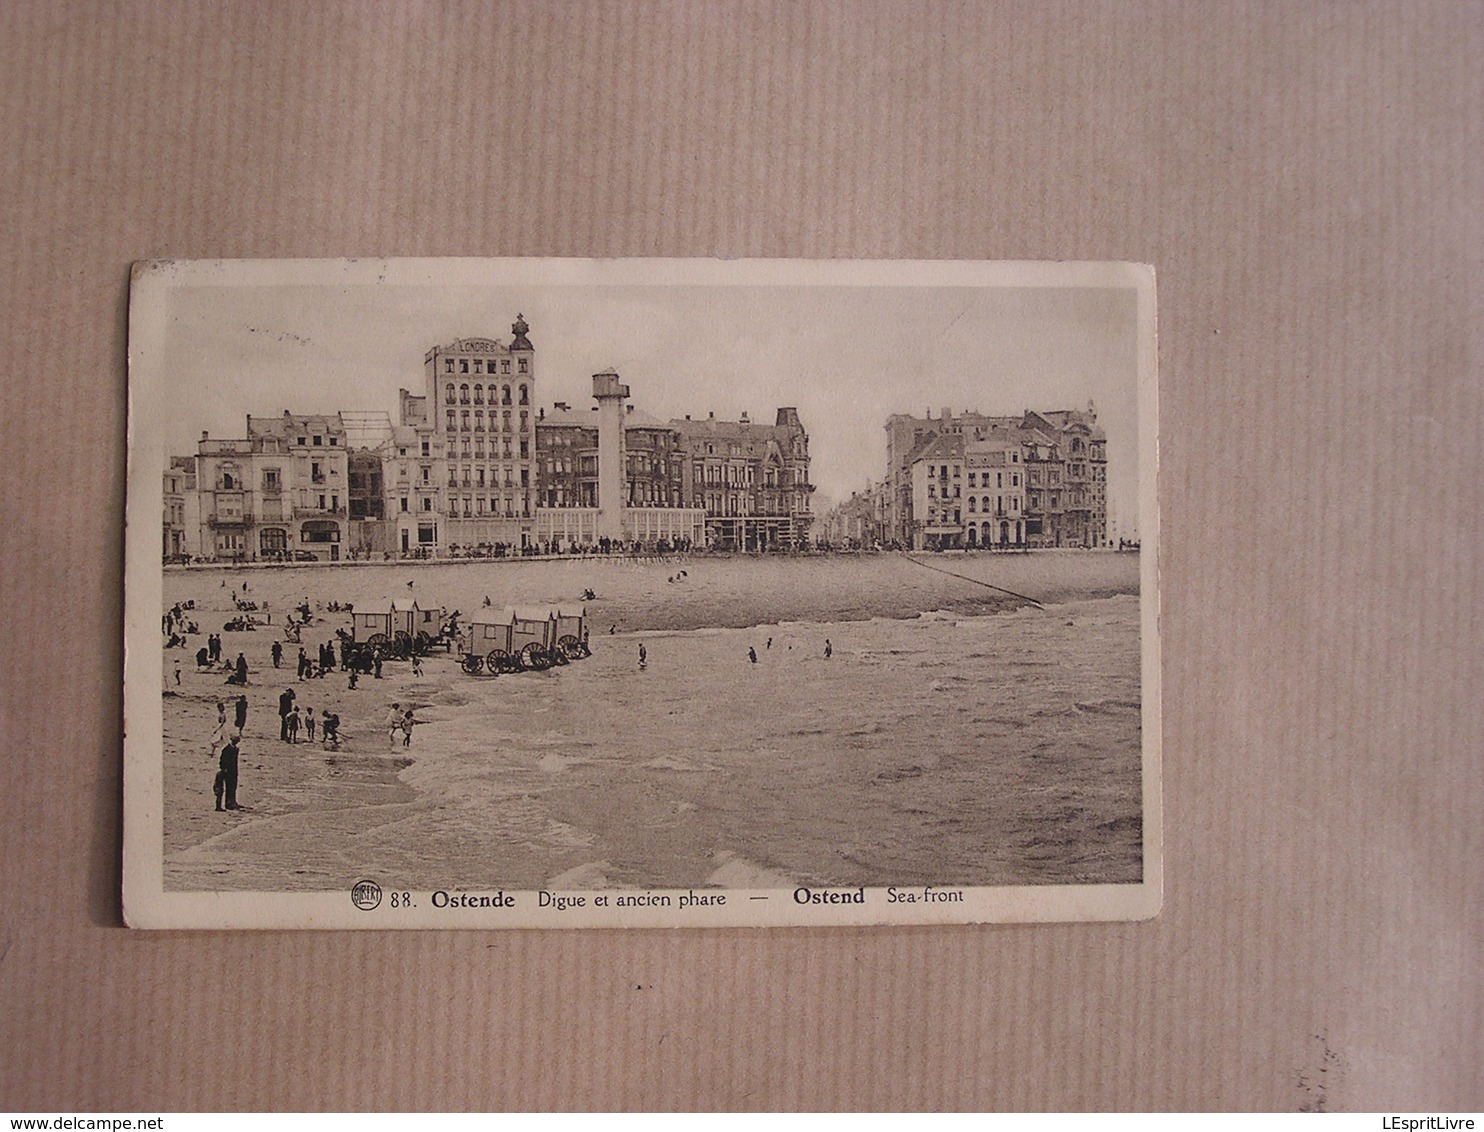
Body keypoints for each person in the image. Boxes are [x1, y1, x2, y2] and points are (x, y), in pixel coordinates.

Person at [214, 733, 241, 810]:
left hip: (233, 771)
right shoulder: (227, 749)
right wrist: (224, 769)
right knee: (224, 788)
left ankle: (231, 802)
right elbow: (223, 760)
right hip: (228, 771)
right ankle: (227, 803)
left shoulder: (234, 749)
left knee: (232, 787)